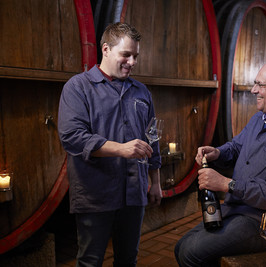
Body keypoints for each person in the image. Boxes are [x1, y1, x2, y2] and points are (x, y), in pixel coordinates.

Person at [175, 60, 266, 266]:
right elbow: (237, 147)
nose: (254, 90)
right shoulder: (259, 119)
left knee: (191, 253)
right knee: (180, 247)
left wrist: (228, 185)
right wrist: (217, 152)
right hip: (239, 209)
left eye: (261, 85)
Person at [58, 22, 163, 266]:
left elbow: (152, 138)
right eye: (126, 55)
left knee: (128, 259)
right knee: (90, 261)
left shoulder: (141, 92)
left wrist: (156, 181)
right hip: (95, 194)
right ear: (106, 50)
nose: (132, 62)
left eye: (135, 56)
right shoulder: (78, 87)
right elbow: (72, 136)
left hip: (134, 193)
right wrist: (121, 148)